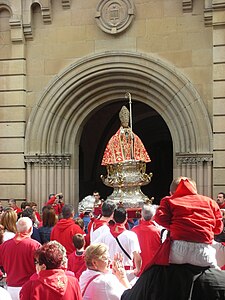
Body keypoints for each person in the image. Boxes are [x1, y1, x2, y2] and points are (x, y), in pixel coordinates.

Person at [154, 177, 223, 268]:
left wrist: (176, 227)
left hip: (178, 250)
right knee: (216, 279)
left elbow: (160, 218)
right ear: (195, 190)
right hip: (204, 251)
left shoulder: (168, 200)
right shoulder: (210, 202)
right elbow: (218, 229)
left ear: (171, 193)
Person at [0, 217, 41, 300]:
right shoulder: (35, 246)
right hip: (29, 287)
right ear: (30, 229)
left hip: (10, 287)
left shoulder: (4, 246)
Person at [95, 207, 142, 276]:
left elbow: (93, 249)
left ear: (113, 218)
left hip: (110, 272)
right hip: (127, 272)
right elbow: (137, 255)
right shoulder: (131, 235)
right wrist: (138, 269)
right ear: (126, 219)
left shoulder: (105, 235)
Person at [132, 204, 161, 275]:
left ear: (141, 215)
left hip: (138, 269)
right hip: (152, 269)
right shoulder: (158, 231)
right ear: (153, 216)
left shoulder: (134, 230)